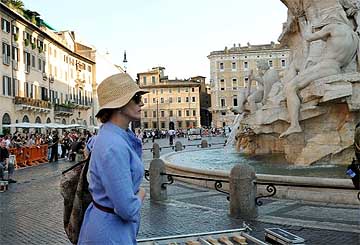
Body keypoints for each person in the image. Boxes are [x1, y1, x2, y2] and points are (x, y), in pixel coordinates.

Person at [78, 73, 147, 244]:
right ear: (120, 104)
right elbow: (127, 210)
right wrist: (141, 194)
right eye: (136, 98)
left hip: (107, 227)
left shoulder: (114, 136)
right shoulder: (113, 145)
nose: (141, 103)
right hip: (110, 234)